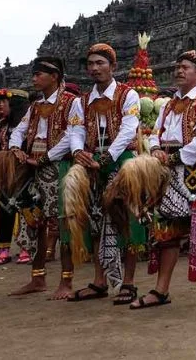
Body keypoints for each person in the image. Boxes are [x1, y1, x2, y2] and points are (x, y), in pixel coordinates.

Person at [128, 50, 196, 309]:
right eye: (178, 67)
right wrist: (155, 148)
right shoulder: (169, 105)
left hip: (195, 173)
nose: (179, 71)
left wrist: (172, 158)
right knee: (166, 234)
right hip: (167, 173)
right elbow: (154, 134)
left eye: (185, 67)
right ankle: (161, 290)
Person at [65, 43, 145, 303]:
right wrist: (79, 152)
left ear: (113, 67)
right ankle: (99, 281)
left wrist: (108, 156)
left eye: (100, 63)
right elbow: (75, 131)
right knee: (95, 220)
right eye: (91, 64)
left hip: (121, 160)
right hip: (92, 163)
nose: (95, 68)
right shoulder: (81, 101)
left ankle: (129, 283)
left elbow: (128, 128)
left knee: (128, 218)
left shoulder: (128, 95)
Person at [7, 57, 79, 297]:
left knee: (63, 222)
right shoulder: (35, 106)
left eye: (39, 74)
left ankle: (66, 282)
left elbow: (72, 135)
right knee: (33, 220)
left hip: (60, 167)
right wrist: (16, 148)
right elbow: (19, 130)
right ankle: (37, 278)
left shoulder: (72, 103)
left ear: (55, 76)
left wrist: (46, 157)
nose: (34, 79)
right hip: (34, 167)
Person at [0, 88, 30, 265]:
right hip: (4, 175)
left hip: (23, 175)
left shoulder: (27, 125)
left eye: (3, 102)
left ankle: (26, 246)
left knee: (25, 211)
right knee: (5, 210)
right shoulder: (2, 126)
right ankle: (4, 247)